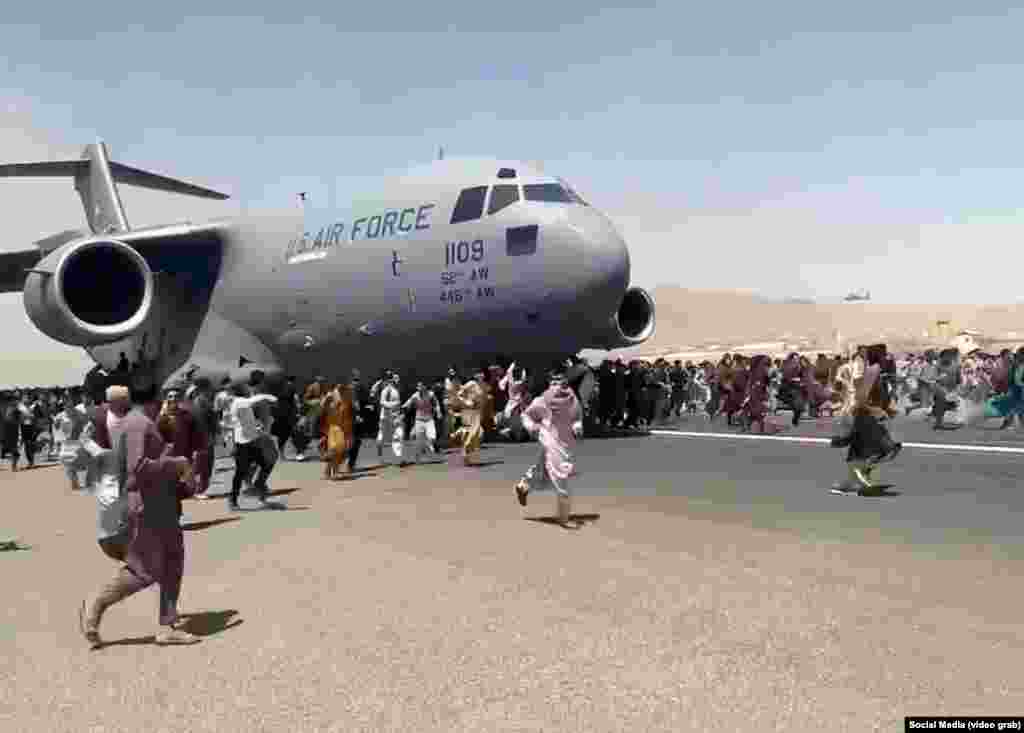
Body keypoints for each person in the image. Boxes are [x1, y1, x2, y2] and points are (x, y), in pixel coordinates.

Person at [79, 380, 200, 648]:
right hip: (148, 510)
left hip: (160, 507)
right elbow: (138, 469)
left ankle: (167, 626)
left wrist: (183, 483)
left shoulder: (142, 424)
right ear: (153, 400)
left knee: (172, 562)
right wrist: (177, 465)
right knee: (144, 571)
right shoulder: (137, 424)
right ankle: (96, 604)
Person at [514, 366, 584, 527]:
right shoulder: (542, 400)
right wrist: (532, 426)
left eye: (559, 381)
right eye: (552, 381)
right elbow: (526, 415)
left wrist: (577, 425)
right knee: (561, 474)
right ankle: (564, 516)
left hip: (566, 441)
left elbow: (577, 416)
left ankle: (523, 487)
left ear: (565, 382)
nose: (556, 384)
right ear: (548, 384)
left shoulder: (572, 399)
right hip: (550, 439)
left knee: (541, 468)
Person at [829, 344, 902, 495]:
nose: (888, 357)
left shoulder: (877, 371)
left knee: (861, 452)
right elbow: (861, 397)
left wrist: (886, 408)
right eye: (885, 354)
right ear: (879, 356)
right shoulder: (873, 370)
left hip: (865, 415)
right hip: (865, 416)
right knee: (882, 449)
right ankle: (860, 482)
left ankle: (848, 484)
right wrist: (876, 410)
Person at [227, 381, 278, 511]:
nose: (249, 390)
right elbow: (251, 402)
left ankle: (258, 485)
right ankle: (233, 500)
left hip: (251, 441)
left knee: (266, 463)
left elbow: (247, 419)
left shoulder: (242, 403)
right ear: (241, 390)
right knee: (240, 473)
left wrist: (257, 426)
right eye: (246, 388)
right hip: (243, 444)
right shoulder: (239, 402)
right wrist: (266, 396)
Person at [320, 381, 354, 479]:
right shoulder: (330, 400)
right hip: (333, 428)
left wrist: (349, 431)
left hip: (341, 428)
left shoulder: (347, 402)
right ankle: (333, 472)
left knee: (338, 451)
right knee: (335, 450)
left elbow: (349, 417)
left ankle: (330, 471)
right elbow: (322, 408)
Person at [452, 370, 485, 466]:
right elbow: (459, 394)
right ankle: (465, 452)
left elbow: (482, 401)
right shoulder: (471, 383)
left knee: (479, 434)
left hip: (477, 412)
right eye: (479, 373)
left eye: (482, 373)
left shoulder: (483, 385)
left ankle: (466, 453)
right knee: (472, 433)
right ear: (475, 375)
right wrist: (466, 402)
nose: (481, 375)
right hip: (468, 412)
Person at [403, 381, 441, 464]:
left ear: (424, 387)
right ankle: (417, 459)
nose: (418, 388)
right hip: (419, 420)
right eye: (418, 387)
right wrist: (405, 406)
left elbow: (436, 403)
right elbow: (408, 403)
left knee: (432, 437)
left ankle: (428, 447)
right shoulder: (415, 396)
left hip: (429, 420)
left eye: (420, 386)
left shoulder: (430, 394)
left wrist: (438, 412)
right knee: (418, 442)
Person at [376, 372, 405, 466]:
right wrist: (394, 404)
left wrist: (400, 413)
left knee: (398, 435)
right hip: (385, 417)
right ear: (392, 379)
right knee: (381, 438)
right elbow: (382, 402)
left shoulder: (398, 389)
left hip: (395, 417)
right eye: (396, 378)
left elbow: (400, 404)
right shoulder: (387, 390)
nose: (398, 379)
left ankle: (399, 458)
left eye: (398, 378)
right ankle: (380, 455)